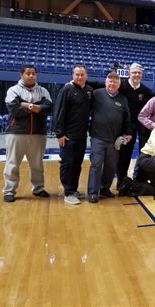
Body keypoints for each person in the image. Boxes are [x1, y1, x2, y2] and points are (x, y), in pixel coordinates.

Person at [2, 65, 53, 202]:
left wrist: (25, 104)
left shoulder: (43, 91)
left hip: (38, 134)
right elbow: (14, 110)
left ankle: (38, 188)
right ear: (21, 74)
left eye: (33, 73)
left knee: (37, 164)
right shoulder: (13, 90)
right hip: (16, 133)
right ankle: (9, 191)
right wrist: (36, 107)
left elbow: (47, 109)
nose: (31, 76)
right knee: (12, 163)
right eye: (28, 73)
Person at [87, 72, 132, 203]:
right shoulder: (96, 94)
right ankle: (92, 192)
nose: (112, 84)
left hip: (114, 140)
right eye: (110, 81)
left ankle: (104, 188)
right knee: (96, 164)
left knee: (111, 166)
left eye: (115, 82)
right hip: (98, 137)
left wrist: (128, 133)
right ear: (106, 82)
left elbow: (127, 119)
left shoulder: (123, 99)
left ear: (119, 85)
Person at [53, 64, 93, 205]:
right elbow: (58, 112)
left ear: (86, 75)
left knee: (77, 164)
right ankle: (68, 192)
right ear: (73, 75)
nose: (80, 77)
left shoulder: (88, 90)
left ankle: (74, 190)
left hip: (81, 136)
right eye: (77, 74)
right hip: (68, 136)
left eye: (82, 75)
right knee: (67, 164)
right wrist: (59, 134)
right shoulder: (66, 90)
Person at [116, 63, 155, 191]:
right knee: (125, 154)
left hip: (141, 124)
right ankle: (121, 181)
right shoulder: (121, 86)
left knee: (144, 152)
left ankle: (140, 180)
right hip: (127, 126)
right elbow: (101, 85)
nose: (137, 75)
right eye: (134, 72)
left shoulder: (145, 90)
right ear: (129, 73)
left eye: (139, 73)